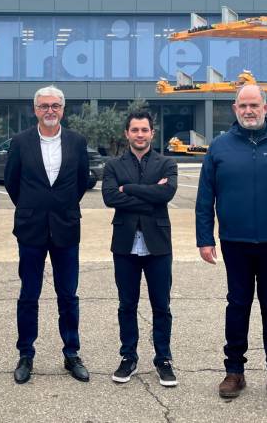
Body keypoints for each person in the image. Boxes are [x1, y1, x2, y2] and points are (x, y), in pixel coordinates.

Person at [195, 84, 267, 406]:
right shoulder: (219, 148)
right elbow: (205, 198)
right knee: (237, 305)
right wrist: (205, 238)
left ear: (265, 107)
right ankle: (234, 371)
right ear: (234, 109)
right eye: (242, 105)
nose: (248, 110)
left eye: (254, 105)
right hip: (235, 242)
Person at [4, 85, 91, 384]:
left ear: (63, 110)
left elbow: (82, 181)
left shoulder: (77, 142)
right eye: (44, 106)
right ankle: (26, 353)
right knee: (29, 295)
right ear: (35, 110)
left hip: (66, 228)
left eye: (55, 106)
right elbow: (12, 182)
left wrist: (60, 207)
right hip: (31, 229)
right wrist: (33, 209)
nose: (50, 110)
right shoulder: (20, 142)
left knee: (68, 295)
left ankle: (71, 353)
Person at [102, 110, 179, 386]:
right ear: (127, 133)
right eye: (134, 130)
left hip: (158, 244)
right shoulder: (113, 166)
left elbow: (166, 194)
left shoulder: (167, 163)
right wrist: (149, 196)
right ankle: (128, 357)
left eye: (144, 130)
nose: (139, 134)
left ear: (152, 133)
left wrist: (129, 190)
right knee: (127, 304)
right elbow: (110, 198)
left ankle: (164, 360)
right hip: (125, 245)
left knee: (162, 305)